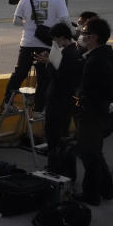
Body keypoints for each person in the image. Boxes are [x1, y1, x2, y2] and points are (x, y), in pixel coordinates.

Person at [4, 0, 70, 113]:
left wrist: (28, 25)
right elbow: (64, 20)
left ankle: (6, 102)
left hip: (28, 43)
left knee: (19, 73)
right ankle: (39, 108)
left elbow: (16, 21)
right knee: (45, 78)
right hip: (49, 44)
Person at [76, 18, 113, 206]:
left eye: (85, 33)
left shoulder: (96, 61)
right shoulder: (108, 55)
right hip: (101, 112)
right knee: (95, 152)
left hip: (93, 113)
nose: (82, 36)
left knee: (89, 154)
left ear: (94, 37)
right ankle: (106, 189)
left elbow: (102, 88)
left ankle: (91, 194)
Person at [35, 23, 82, 176]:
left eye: (55, 39)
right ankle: (59, 166)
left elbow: (60, 76)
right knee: (60, 135)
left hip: (59, 100)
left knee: (55, 135)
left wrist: (48, 63)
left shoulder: (69, 54)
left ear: (62, 37)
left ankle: (56, 167)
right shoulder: (70, 51)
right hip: (63, 100)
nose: (54, 42)